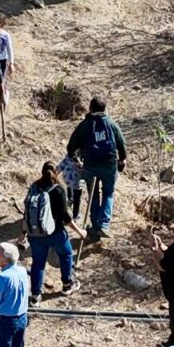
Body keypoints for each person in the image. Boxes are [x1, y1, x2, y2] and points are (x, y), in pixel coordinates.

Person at [67, 97, 127, 240]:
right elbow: (122, 144)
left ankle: (94, 229)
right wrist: (122, 159)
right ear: (105, 109)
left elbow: (70, 147)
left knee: (93, 196)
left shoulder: (84, 125)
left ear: (90, 108)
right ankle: (104, 225)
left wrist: (75, 159)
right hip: (109, 165)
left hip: (90, 166)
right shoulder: (111, 124)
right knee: (108, 194)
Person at [23, 162, 75, 299]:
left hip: (35, 234)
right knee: (66, 255)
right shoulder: (58, 190)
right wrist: (80, 231)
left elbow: (26, 212)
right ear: (55, 172)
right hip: (56, 233)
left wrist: (23, 233)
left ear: (42, 172)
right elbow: (65, 217)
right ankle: (67, 285)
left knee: (38, 263)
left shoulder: (34, 187)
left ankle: (35, 296)